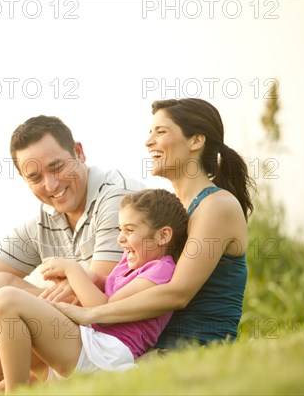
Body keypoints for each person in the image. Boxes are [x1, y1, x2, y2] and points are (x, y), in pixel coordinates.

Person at [0, 115, 143, 394]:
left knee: (3, 298)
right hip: (69, 336)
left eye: (57, 167)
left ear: (78, 152)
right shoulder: (49, 216)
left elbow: (99, 302)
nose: (51, 185)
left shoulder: (116, 198)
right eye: (35, 178)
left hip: (106, 340)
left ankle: (18, 385)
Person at [53, 98, 255, 349]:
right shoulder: (173, 210)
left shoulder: (216, 206)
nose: (148, 142)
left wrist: (92, 314)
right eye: (150, 133)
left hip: (195, 347)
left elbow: (178, 293)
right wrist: (94, 280)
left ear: (196, 141)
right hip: (151, 347)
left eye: (161, 132)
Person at [0, 188, 189, 394]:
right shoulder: (129, 265)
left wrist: (73, 270)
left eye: (129, 230)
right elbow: (109, 289)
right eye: (120, 229)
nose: (120, 239)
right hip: (82, 346)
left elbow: (103, 309)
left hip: (104, 354)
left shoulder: (161, 270)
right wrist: (93, 278)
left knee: (7, 299)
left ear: (163, 236)